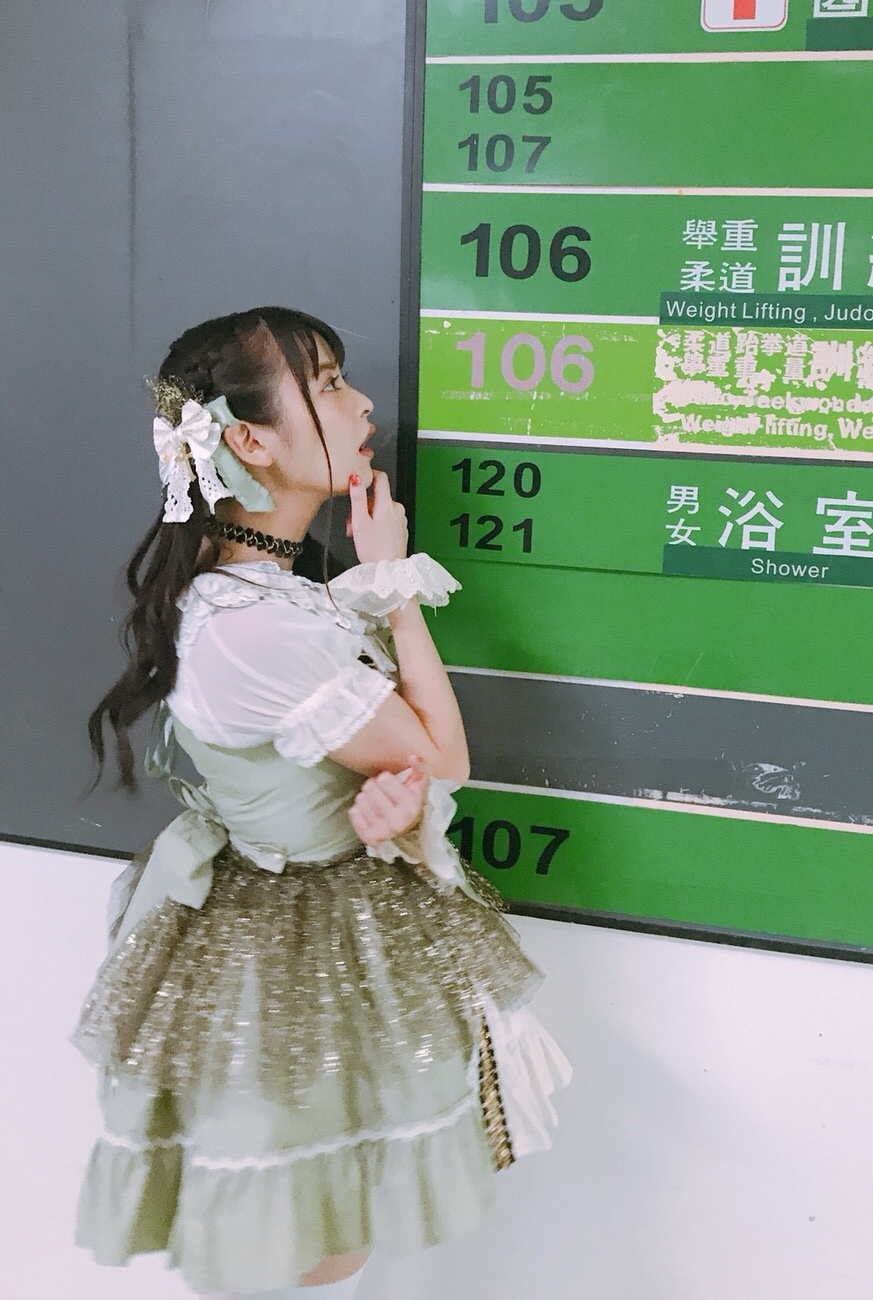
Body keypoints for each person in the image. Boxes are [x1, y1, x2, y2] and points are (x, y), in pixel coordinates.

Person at [75, 306, 569, 1299]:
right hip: (288, 952)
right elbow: (442, 755)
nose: (363, 403)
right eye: (332, 384)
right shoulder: (259, 623)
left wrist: (388, 808)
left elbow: (394, 770)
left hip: (293, 932)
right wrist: (392, 583)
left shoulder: (268, 595)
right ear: (251, 441)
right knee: (305, 1238)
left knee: (318, 1232)